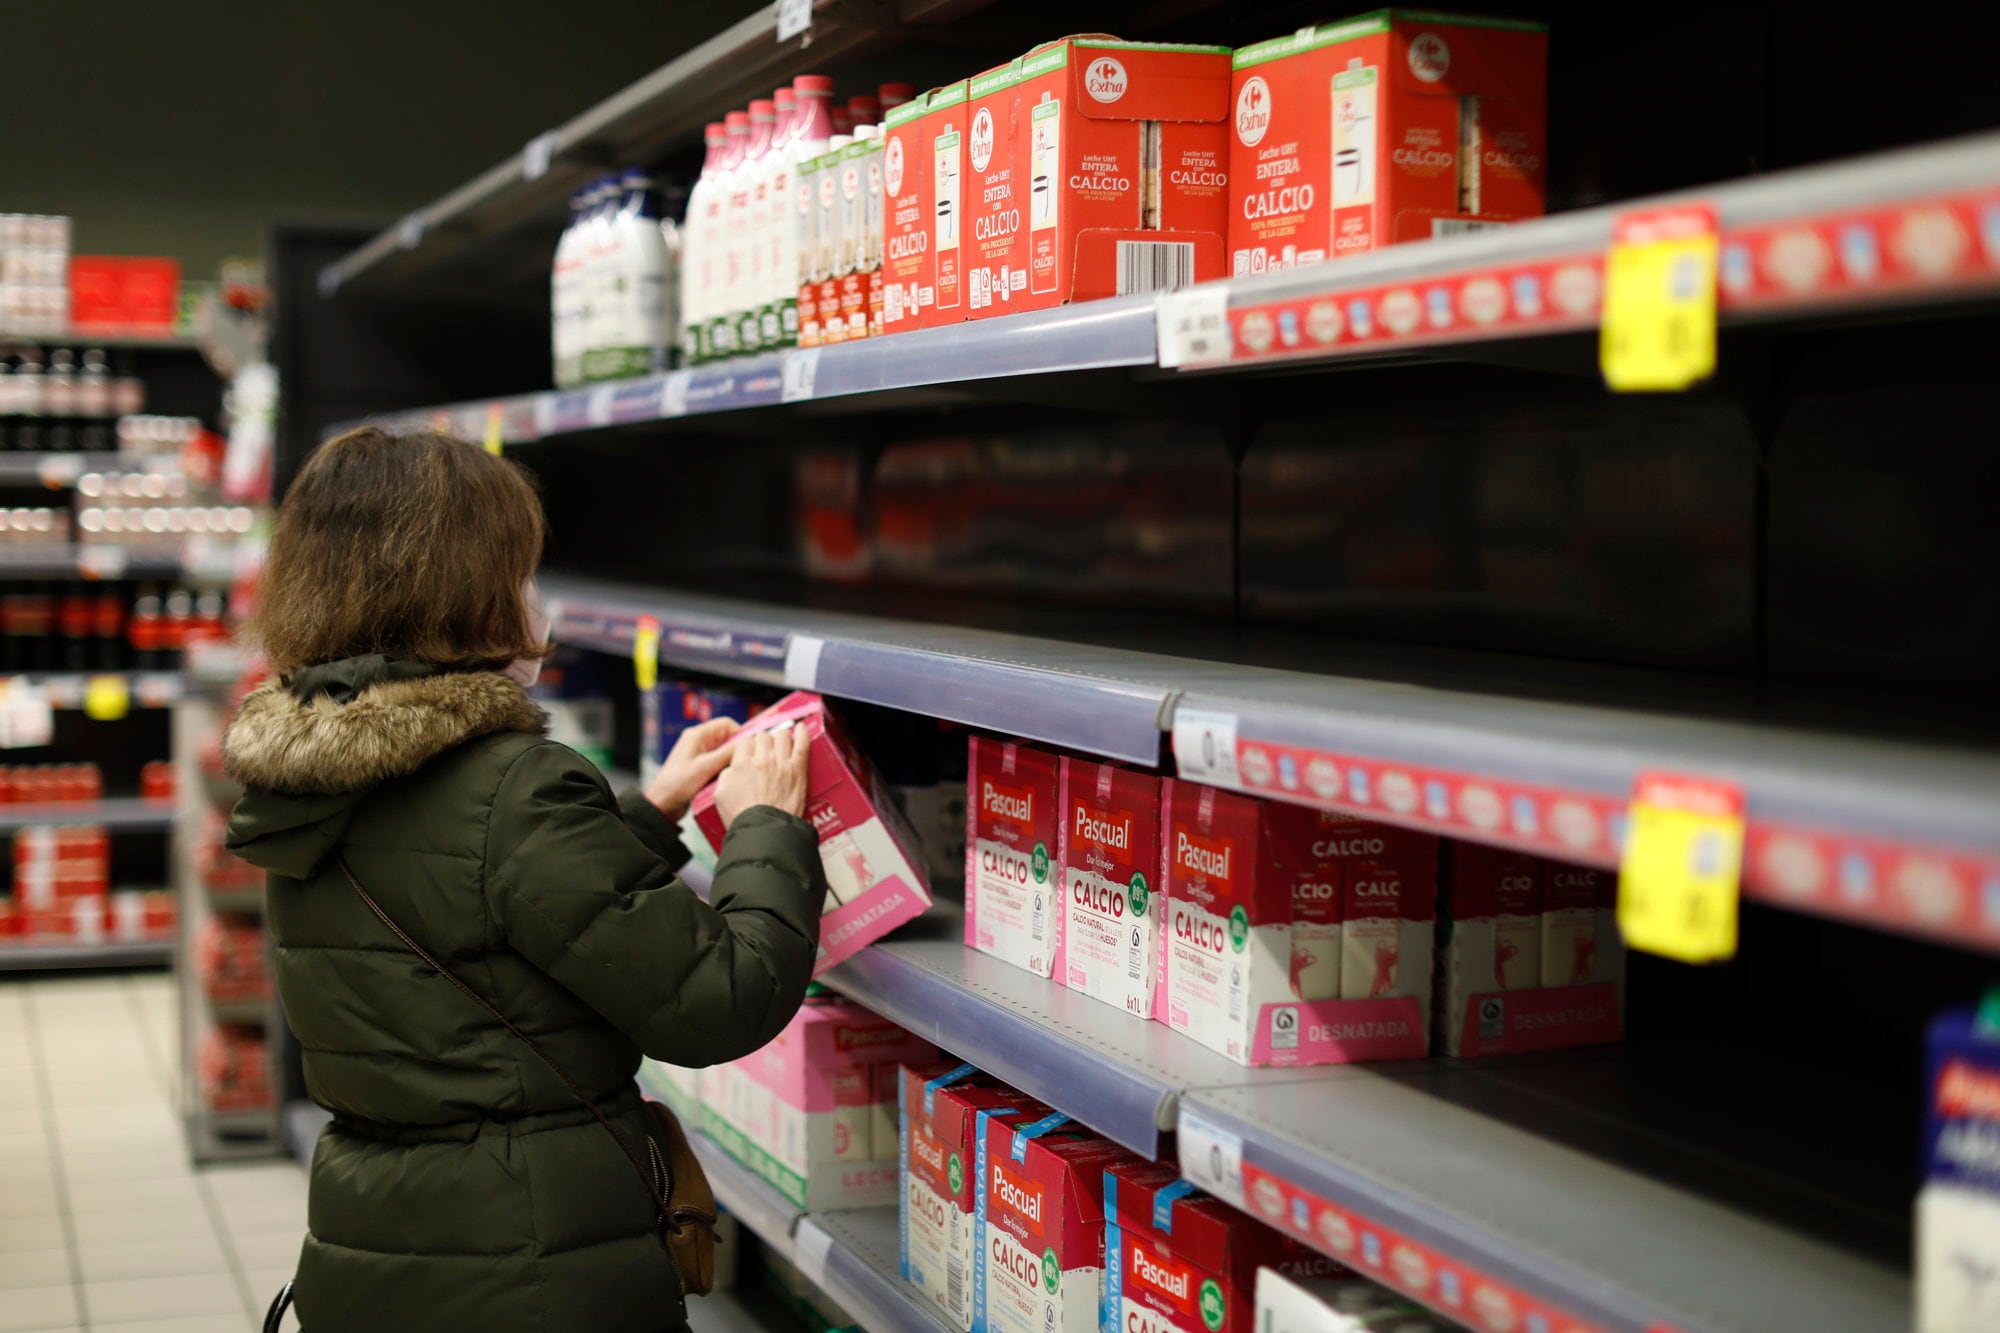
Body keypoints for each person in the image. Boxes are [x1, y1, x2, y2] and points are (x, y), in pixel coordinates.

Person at [223, 426, 825, 1333]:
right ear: (465, 593)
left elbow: (464, 898)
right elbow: (723, 996)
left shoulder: (309, 779)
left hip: (375, 1245)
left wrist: (648, 814)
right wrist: (768, 825)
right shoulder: (514, 785)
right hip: (528, 1268)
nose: (536, 597)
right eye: (521, 569)